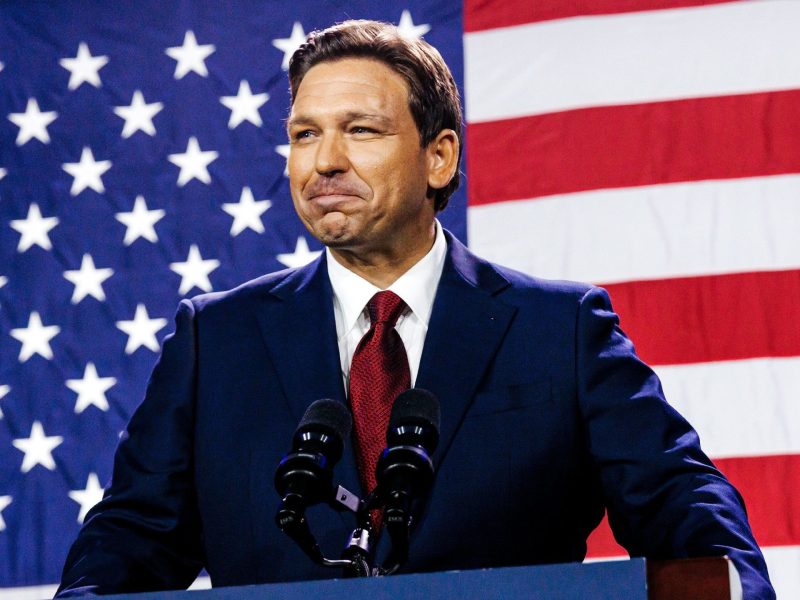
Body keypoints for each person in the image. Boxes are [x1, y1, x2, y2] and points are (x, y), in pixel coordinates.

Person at [57, 20, 774, 599]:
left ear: (439, 157)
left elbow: (683, 505)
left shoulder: (559, 331)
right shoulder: (216, 339)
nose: (324, 161)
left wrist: (729, 583)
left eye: (360, 130)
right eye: (305, 134)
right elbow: (129, 543)